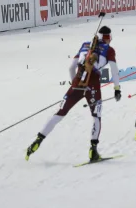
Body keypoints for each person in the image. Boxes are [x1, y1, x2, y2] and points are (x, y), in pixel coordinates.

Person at [26, 26, 121, 162]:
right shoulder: (109, 50)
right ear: (107, 38)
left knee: (59, 113)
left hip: (77, 82)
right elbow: (114, 70)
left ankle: (38, 139)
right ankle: (93, 151)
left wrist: (74, 85)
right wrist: (117, 89)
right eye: (109, 38)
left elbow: (71, 67)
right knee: (96, 117)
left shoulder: (85, 45)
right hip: (93, 84)